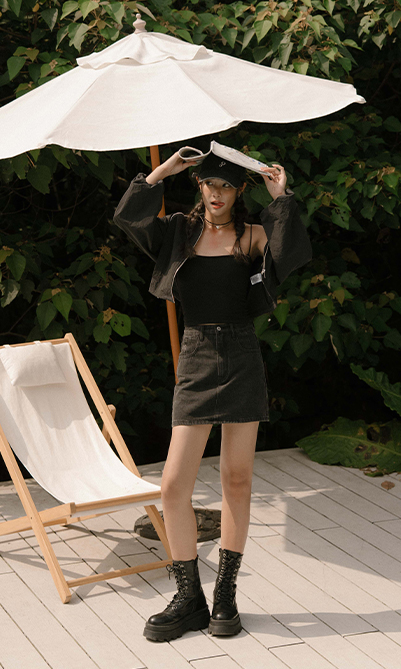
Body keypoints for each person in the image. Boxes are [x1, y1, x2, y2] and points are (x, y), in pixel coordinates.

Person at [113, 144, 312, 642]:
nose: (217, 193)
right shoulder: (178, 232)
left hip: (242, 354)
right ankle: (188, 597)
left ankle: (225, 595)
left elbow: (292, 254)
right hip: (197, 355)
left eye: (226, 186)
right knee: (173, 486)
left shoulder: (253, 235)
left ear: (239, 191)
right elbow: (129, 217)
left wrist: (282, 199)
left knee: (237, 480)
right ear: (198, 186)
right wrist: (162, 171)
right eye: (209, 184)